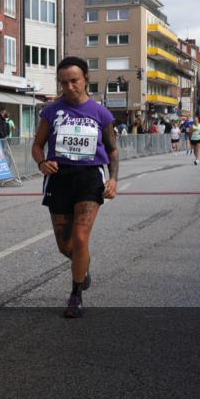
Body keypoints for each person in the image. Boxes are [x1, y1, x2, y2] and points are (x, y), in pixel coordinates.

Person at [31, 57, 118, 319]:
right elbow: (37, 146)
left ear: (86, 80)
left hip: (89, 178)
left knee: (80, 239)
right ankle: (83, 266)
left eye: (74, 81)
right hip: (59, 178)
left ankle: (75, 294)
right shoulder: (51, 111)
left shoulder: (101, 113)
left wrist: (113, 179)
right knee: (65, 245)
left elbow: (113, 150)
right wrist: (42, 162)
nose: (69, 87)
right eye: (63, 82)